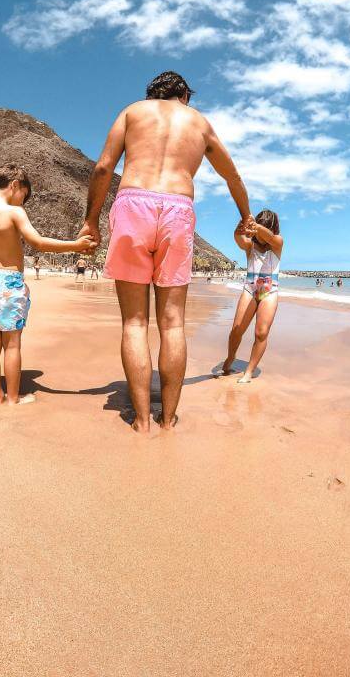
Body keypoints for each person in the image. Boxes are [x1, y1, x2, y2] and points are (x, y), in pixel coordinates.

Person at [79, 71, 251, 432]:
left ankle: (141, 421)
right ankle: (168, 420)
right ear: (184, 95)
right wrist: (246, 217)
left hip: (133, 204)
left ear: (152, 93)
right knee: (173, 323)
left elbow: (103, 167)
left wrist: (91, 220)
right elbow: (232, 176)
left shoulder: (133, 112)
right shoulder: (199, 123)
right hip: (178, 209)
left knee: (134, 322)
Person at [0, 164, 96, 407]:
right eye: (23, 196)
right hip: (9, 280)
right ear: (15, 185)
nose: (22, 203)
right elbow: (37, 242)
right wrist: (76, 245)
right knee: (12, 343)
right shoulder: (14, 213)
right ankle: (14, 398)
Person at [221, 210, 283, 384]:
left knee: (261, 333)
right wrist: (241, 226)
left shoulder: (277, 243)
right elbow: (238, 237)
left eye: (263, 226)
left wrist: (257, 227)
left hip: (269, 292)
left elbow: (269, 237)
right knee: (236, 330)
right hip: (250, 289)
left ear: (270, 227)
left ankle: (248, 372)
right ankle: (230, 358)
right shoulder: (250, 246)